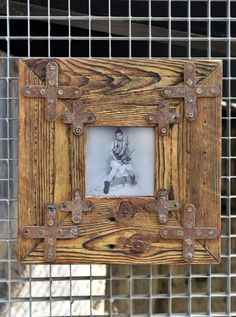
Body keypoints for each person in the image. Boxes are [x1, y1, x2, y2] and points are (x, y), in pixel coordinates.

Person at [103, 128, 137, 194]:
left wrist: (126, 159)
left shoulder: (125, 143)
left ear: (122, 135)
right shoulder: (113, 143)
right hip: (115, 160)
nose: (118, 137)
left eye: (120, 135)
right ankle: (107, 183)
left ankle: (132, 178)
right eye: (117, 136)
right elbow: (111, 153)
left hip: (122, 160)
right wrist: (117, 161)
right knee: (115, 167)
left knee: (130, 168)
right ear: (115, 137)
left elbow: (127, 154)